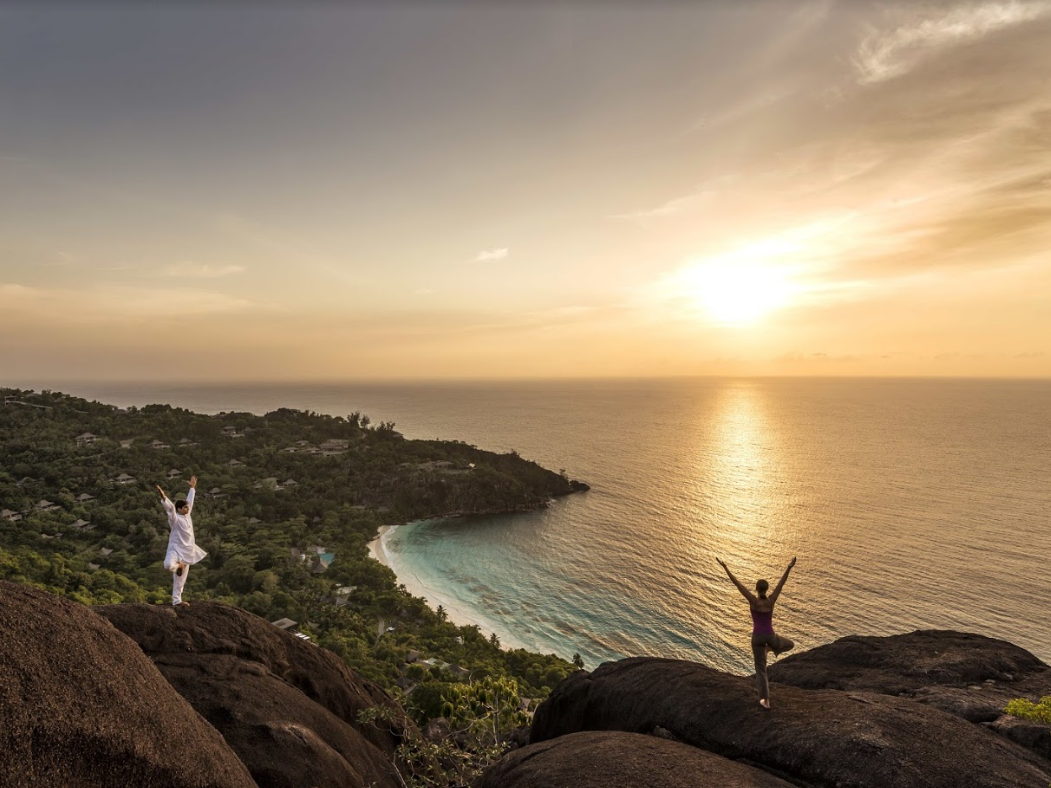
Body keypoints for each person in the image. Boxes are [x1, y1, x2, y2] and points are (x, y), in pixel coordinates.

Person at [716, 556, 796, 709]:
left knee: (761, 669)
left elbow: (737, 584)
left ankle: (765, 701)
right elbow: (781, 584)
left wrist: (725, 568)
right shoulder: (771, 601)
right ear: (766, 589)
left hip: (757, 638)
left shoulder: (753, 601)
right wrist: (789, 567)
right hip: (771, 636)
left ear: (756, 589)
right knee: (790, 644)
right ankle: (771, 648)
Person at [156, 475, 207, 606]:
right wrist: (163, 496)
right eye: (185, 507)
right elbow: (170, 509)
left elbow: (190, 501)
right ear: (179, 509)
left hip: (187, 550)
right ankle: (178, 566)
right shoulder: (175, 519)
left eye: (187, 507)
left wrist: (192, 488)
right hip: (175, 549)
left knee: (180, 580)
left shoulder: (187, 515)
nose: (187, 509)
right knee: (168, 565)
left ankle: (177, 601)